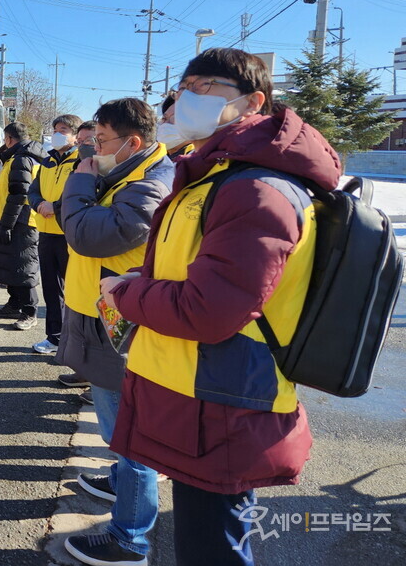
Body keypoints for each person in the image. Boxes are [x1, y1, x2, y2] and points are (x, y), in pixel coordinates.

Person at [101, 48, 341, 566]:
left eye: (203, 86)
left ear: (253, 102)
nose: (184, 97)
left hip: (222, 403)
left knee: (213, 549)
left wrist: (124, 294)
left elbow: (209, 309)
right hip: (194, 398)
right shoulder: (216, 177)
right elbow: (197, 273)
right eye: (182, 86)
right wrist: (144, 280)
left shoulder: (257, 189)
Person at [59, 98, 174, 566]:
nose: (93, 149)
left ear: (133, 142)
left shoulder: (151, 183)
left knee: (133, 435)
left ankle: (129, 538)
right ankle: (120, 480)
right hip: (100, 311)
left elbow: (88, 233)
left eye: (101, 141)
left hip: (120, 323)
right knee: (117, 425)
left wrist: (81, 180)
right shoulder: (123, 173)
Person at [0, 121, 46, 331]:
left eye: (4, 139)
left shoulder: (22, 159)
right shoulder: (17, 157)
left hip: (21, 222)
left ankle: (30, 311)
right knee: (11, 265)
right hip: (9, 218)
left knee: (23, 267)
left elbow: (19, 195)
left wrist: (7, 224)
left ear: (9, 139)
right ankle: (14, 303)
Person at [27, 114, 81, 354]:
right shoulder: (47, 161)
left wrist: (55, 207)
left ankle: (77, 341)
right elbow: (33, 191)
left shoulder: (82, 161)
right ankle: (54, 337)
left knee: (77, 289)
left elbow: (79, 193)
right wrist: (39, 204)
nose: (58, 133)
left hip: (69, 233)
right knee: (51, 288)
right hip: (46, 231)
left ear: (76, 135)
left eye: (64, 129)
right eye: (56, 129)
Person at [55, 120, 98, 390]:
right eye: (80, 142)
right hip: (78, 256)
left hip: (106, 269)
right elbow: (66, 208)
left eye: (92, 141)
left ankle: (99, 383)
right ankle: (83, 372)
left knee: (102, 333)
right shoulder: (78, 168)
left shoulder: (118, 175)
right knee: (79, 322)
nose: (84, 147)